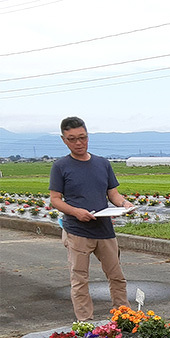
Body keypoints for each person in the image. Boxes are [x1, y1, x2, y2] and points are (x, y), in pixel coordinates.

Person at [49, 116, 132, 321]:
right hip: (77, 232)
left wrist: (124, 204)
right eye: (72, 139)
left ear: (88, 136)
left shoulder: (102, 164)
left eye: (82, 137)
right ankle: (86, 324)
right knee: (80, 280)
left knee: (117, 277)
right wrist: (76, 212)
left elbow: (112, 193)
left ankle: (125, 318)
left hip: (104, 230)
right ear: (63, 140)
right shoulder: (60, 166)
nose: (78, 143)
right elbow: (55, 200)